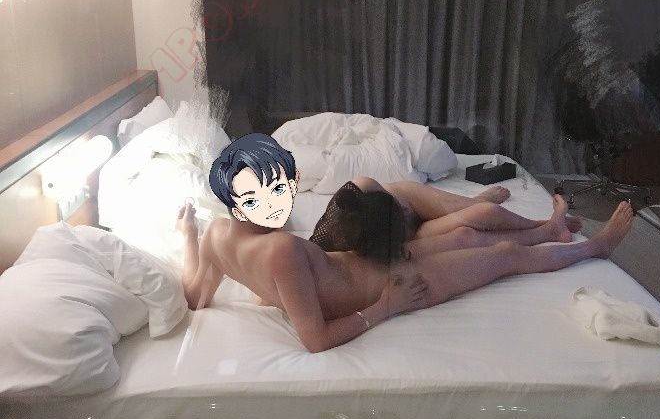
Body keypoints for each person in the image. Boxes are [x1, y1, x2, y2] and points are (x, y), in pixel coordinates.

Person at [178, 133, 634, 353]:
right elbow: (315, 339)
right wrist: (386, 307)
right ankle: (594, 248)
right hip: (391, 284)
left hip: (366, 260)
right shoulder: (280, 250)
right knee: (503, 255)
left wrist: (187, 239)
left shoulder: (214, 235)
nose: (282, 200)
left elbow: (196, 296)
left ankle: (548, 231)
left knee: (465, 233)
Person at [309, 176, 583, 252]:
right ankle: (549, 229)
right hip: (406, 236)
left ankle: (544, 223)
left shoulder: (361, 188)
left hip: (404, 204)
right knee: (482, 215)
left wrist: (401, 208)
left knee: (479, 208)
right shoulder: (334, 249)